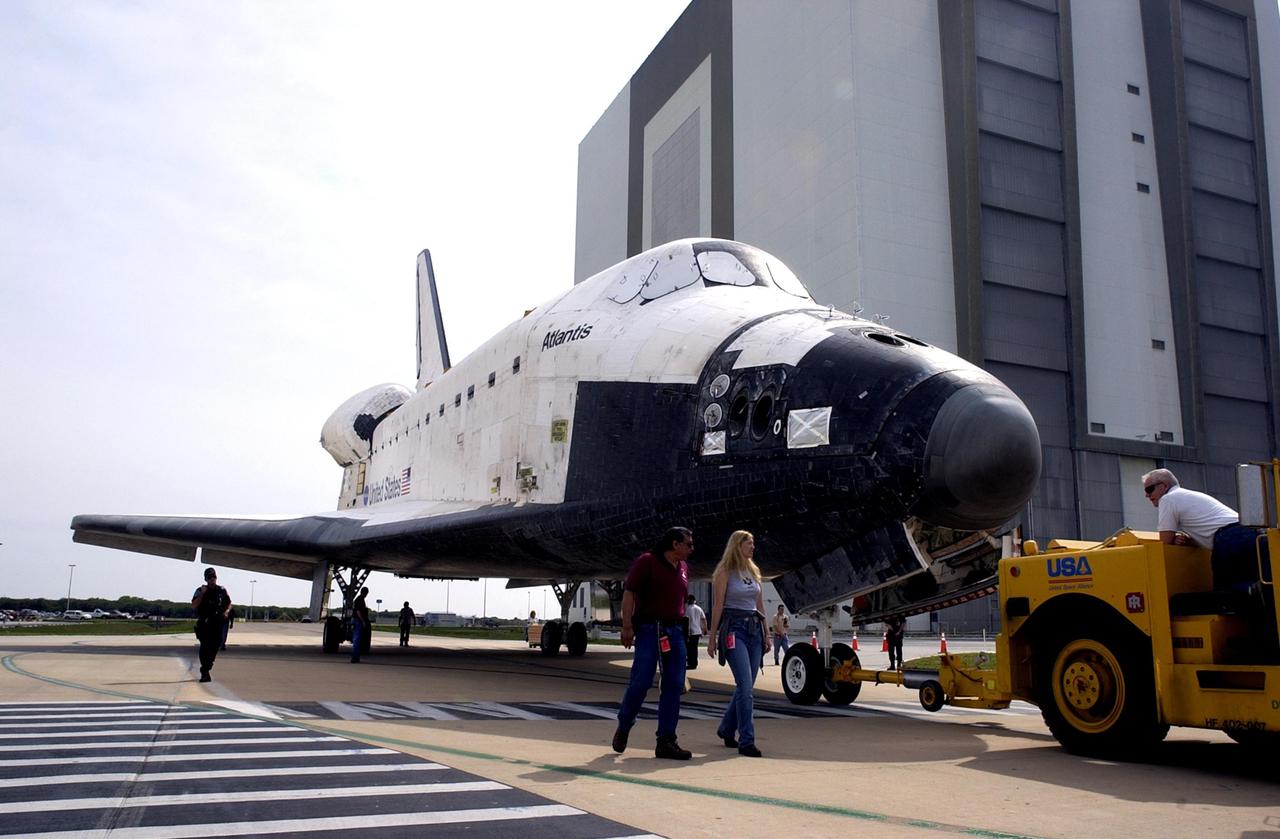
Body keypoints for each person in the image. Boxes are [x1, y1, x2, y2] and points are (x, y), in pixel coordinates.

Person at [612, 526, 694, 760]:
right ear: (675, 544)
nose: (692, 549)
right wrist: (627, 625)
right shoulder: (647, 562)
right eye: (688, 544)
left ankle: (666, 741)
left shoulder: (684, 568)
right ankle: (624, 725)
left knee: (674, 685)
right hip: (650, 629)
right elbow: (630, 592)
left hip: (675, 631)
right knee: (641, 681)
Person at [1142, 468, 1261, 591]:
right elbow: (1207, 531)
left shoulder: (1168, 499)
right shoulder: (1189, 496)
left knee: (1228, 593)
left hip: (1228, 539)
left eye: (1149, 489)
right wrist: (1186, 541)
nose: (1147, 495)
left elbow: (1165, 541)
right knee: (1255, 583)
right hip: (1249, 533)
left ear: (1164, 486)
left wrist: (1174, 539)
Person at [708, 530, 770, 758]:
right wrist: (712, 637)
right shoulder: (725, 572)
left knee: (747, 686)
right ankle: (747, 740)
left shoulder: (754, 571)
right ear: (737, 546)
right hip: (734, 629)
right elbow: (717, 606)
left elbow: (760, 605)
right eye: (749, 543)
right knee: (744, 686)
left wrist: (767, 633)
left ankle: (726, 728)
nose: (753, 547)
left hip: (754, 629)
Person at [191, 567, 231, 683]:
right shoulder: (200, 590)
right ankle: (204, 672)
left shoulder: (222, 590)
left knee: (215, 646)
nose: (212, 579)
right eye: (209, 577)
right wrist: (202, 594)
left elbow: (229, 603)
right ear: (206, 578)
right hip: (205, 623)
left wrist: (226, 612)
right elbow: (194, 605)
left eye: (213, 577)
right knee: (205, 647)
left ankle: (207, 667)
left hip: (218, 623)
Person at [684, 594, 707, 670]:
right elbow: (703, 619)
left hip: (690, 631)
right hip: (697, 631)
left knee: (689, 649)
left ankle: (691, 663)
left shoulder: (687, 609)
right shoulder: (699, 608)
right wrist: (705, 629)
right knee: (694, 648)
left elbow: (685, 621)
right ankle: (694, 663)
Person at [350, 586, 370, 663]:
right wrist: (363, 621)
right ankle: (355, 657)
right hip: (358, 620)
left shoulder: (359, 599)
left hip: (355, 620)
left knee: (356, 639)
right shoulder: (360, 600)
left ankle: (355, 656)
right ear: (366, 593)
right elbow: (358, 611)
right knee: (357, 639)